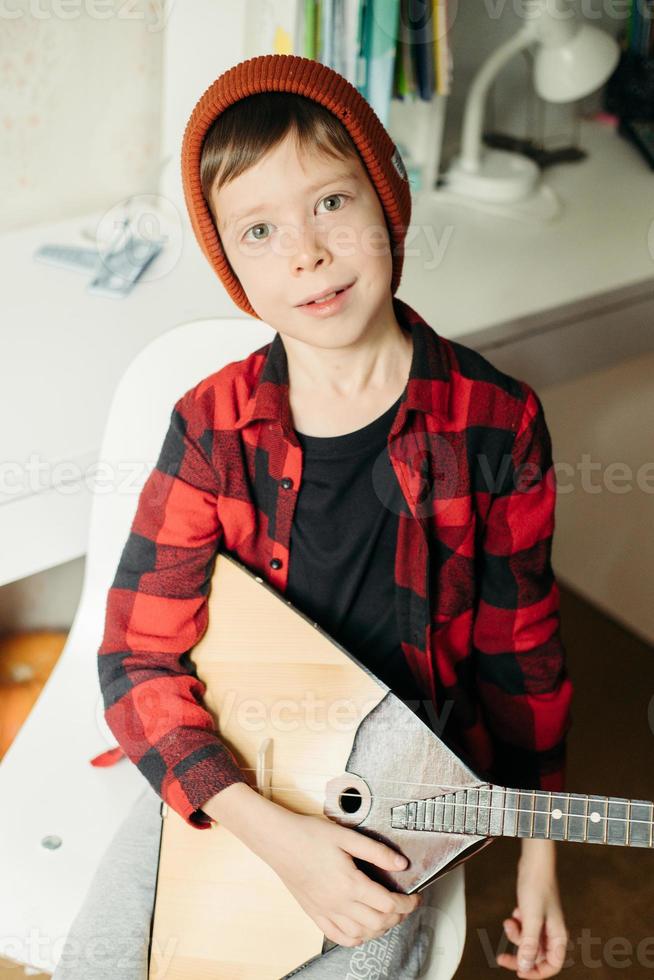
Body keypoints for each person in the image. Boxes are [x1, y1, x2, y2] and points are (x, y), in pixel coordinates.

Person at [92, 54, 574, 979]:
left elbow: (523, 657)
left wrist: (540, 854)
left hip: (395, 784)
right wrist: (261, 828)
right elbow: (135, 656)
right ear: (231, 263)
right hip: (230, 758)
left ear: (386, 199)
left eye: (331, 203)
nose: (306, 253)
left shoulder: (497, 422)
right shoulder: (210, 426)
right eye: (261, 229)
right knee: (109, 959)